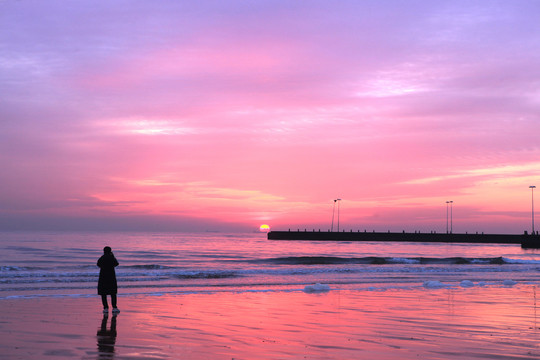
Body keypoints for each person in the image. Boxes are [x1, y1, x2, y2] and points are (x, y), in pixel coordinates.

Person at [97, 246, 120, 314]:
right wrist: (112, 255)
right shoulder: (111, 257)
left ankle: (105, 307)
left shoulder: (102, 257)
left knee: (103, 293)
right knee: (113, 293)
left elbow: (98, 264)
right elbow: (116, 263)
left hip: (103, 276)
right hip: (111, 276)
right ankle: (114, 307)